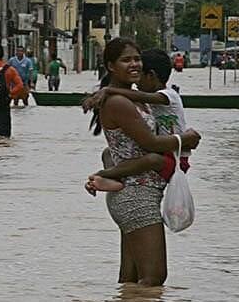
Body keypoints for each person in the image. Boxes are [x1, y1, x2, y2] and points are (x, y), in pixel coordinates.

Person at [84, 37, 201, 287]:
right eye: (126, 60)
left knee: (131, 278)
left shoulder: (136, 98)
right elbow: (150, 143)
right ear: (111, 66)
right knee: (154, 277)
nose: (134, 64)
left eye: (137, 59)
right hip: (136, 195)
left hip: (137, 190)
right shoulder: (119, 103)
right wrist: (185, 139)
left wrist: (108, 89)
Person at [83, 48, 193, 193]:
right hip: (163, 151)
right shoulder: (146, 103)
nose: (136, 83)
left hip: (175, 159)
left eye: (139, 76)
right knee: (107, 153)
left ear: (151, 76)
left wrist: (110, 90)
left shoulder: (168, 96)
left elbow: (140, 96)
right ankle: (116, 180)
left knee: (152, 160)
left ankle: (103, 174)